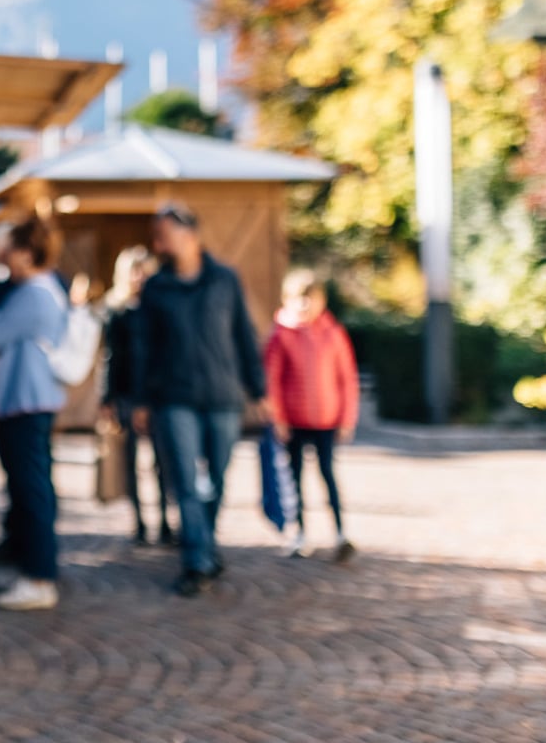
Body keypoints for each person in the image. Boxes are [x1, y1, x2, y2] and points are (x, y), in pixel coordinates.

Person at [137, 202, 266, 597]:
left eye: (164, 233)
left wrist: (259, 390)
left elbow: (243, 335)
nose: (158, 242)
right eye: (156, 235)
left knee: (217, 480)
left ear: (188, 234)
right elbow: (143, 348)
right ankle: (197, 560)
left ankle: (205, 543)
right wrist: (140, 399)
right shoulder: (156, 288)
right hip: (175, 397)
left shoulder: (225, 279)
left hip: (223, 396)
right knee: (187, 482)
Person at [0, 218, 73, 611]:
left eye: (9, 251)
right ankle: (35, 568)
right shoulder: (41, 290)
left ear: (26, 253)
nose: (3, 259)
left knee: (32, 490)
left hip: (27, 400)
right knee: (32, 487)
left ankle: (40, 577)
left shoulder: (34, 294)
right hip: (30, 399)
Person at [266, 269, 359, 562]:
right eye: (299, 299)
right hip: (293, 422)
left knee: (327, 475)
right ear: (287, 300)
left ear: (322, 300)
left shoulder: (333, 334)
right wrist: (278, 418)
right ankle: (298, 533)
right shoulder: (281, 336)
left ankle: (340, 533)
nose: (305, 305)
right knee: (293, 480)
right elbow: (272, 381)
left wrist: (347, 419)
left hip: (326, 420)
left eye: (311, 298)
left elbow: (347, 379)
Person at [102, 245, 176, 547]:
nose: (139, 277)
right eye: (134, 271)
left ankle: (166, 522)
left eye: (143, 270)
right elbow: (111, 357)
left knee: (162, 461)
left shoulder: (160, 309)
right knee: (131, 461)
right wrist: (106, 398)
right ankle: (140, 522)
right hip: (127, 395)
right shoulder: (117, 311)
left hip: (158, 394)